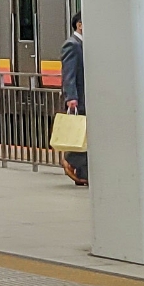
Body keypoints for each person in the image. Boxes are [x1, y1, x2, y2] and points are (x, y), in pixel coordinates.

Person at [60, 14, 88, 187]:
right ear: (80, 25)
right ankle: (69, 160)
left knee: (85, 137)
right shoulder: (72, 45)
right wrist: (71, 97)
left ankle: (83, 174)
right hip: (80, 99)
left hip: (85, 98)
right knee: (83, 135)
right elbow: (68, 74)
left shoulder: (83, 44)